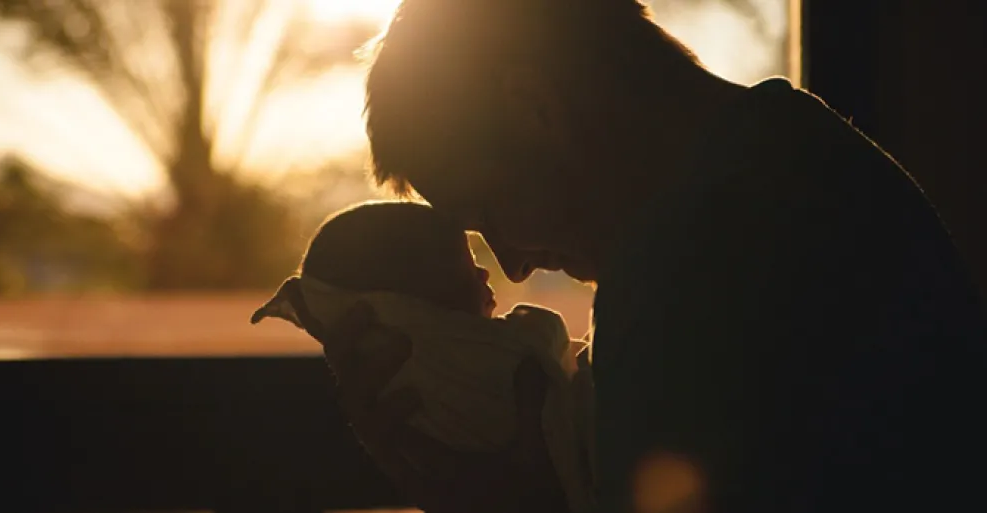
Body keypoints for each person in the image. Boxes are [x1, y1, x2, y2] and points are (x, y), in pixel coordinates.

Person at [296, 1, 987, 512]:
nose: (509, 266)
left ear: (536, 107)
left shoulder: (692, 264)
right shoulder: (803, 153)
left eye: (488, 212)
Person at [252, 201, 596, 512]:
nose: (493, 271)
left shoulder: (397, 396)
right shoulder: (469, 360)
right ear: (410, 307)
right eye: (466, 263)